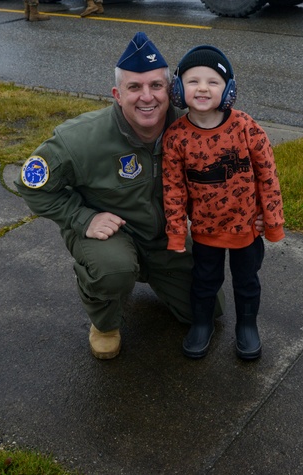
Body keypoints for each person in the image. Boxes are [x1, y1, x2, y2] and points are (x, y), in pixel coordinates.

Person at [15, 32, 201, 360]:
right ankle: (104, 321)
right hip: (108, 235)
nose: (148, 97)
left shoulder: (190, 128)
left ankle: (148, 269)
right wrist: (81, 218)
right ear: (117, 94)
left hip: (162, 237)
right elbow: (31, 183)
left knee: (206, 312)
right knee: (114, 270)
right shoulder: (81, 139)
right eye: (134, 87)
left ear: (170, 89)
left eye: (156, 86)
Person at [162, 45, 284, 361]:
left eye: (213, 81)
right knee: (204, 281)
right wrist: (177, 232)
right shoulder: (175, 137)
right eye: (193, 81)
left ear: (227, 88)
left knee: (247, 282)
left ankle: (247, 325)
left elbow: (268, 176)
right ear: (178, 87)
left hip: (247, 228)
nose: (202, 88)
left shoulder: (246, 128)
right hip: (205, 230)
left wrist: (272, 222)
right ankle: (202, 324)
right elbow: (173, 189)